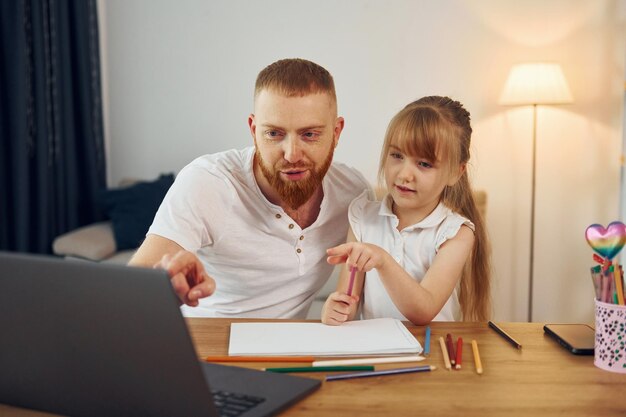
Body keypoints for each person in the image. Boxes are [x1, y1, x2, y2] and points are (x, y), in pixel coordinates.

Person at [129, 58, 370, 318]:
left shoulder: (353, 194)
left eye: (309, 134)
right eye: (274, 134)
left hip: (287, 354)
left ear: (336, 132)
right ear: (254, 130)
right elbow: (127, 292)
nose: (291, 154)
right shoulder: (208, 182)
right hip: (206, 346)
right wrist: (165, 285)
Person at [321, 96, 491, 326]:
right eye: (397, 156)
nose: (404, 174)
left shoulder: (456, 233)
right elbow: (348, 301)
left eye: (424, 164)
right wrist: (337, 309)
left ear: (456, 172)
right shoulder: (362, 217)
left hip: (431, 352)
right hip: (377, 352)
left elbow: (424, 310)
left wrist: (383, 260)